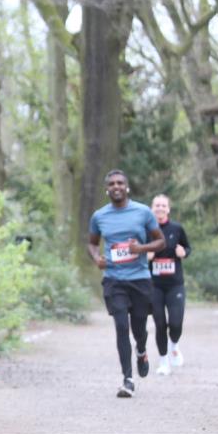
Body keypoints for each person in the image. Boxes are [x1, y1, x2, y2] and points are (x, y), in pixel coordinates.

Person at [87, 170, 166, 398]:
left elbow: (160, 241)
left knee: (138, 329)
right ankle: (128, 379)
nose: (116, 186)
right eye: (111, 183)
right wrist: (96, 258)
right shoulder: (99, 216)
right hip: (114, 280)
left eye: (120, 183)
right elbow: (92, 243)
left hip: (140, 280)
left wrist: (140, 249)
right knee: (121, 327)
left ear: (127, 187)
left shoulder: (142, 212)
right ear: (107, 189)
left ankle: (141, 350)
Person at [148, 194, 191, 375]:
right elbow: (138, 251)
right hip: (154, 285)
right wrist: (146, 256)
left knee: (175, 323)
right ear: (152, 208)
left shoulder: (177, 228)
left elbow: (187, 248)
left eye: (163, 205)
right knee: (159, 324)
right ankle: (163, 361)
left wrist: (184, 252)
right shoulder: (146, 230)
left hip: (175, 285)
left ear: (168, 209)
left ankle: (174, 344)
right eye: (157, 205)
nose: (160, 208)